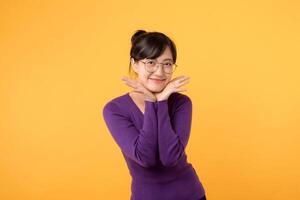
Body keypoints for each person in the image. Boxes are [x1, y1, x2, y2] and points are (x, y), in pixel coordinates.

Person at [102, 30, 207, 200]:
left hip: (190, 195)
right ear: (135, 64)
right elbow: (145, 158)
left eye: (167, 64)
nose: (160, 72)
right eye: (151, 62)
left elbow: (170, 157)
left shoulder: (181, 103)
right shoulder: (115, 109)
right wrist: (152, 102)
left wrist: (161, 102)